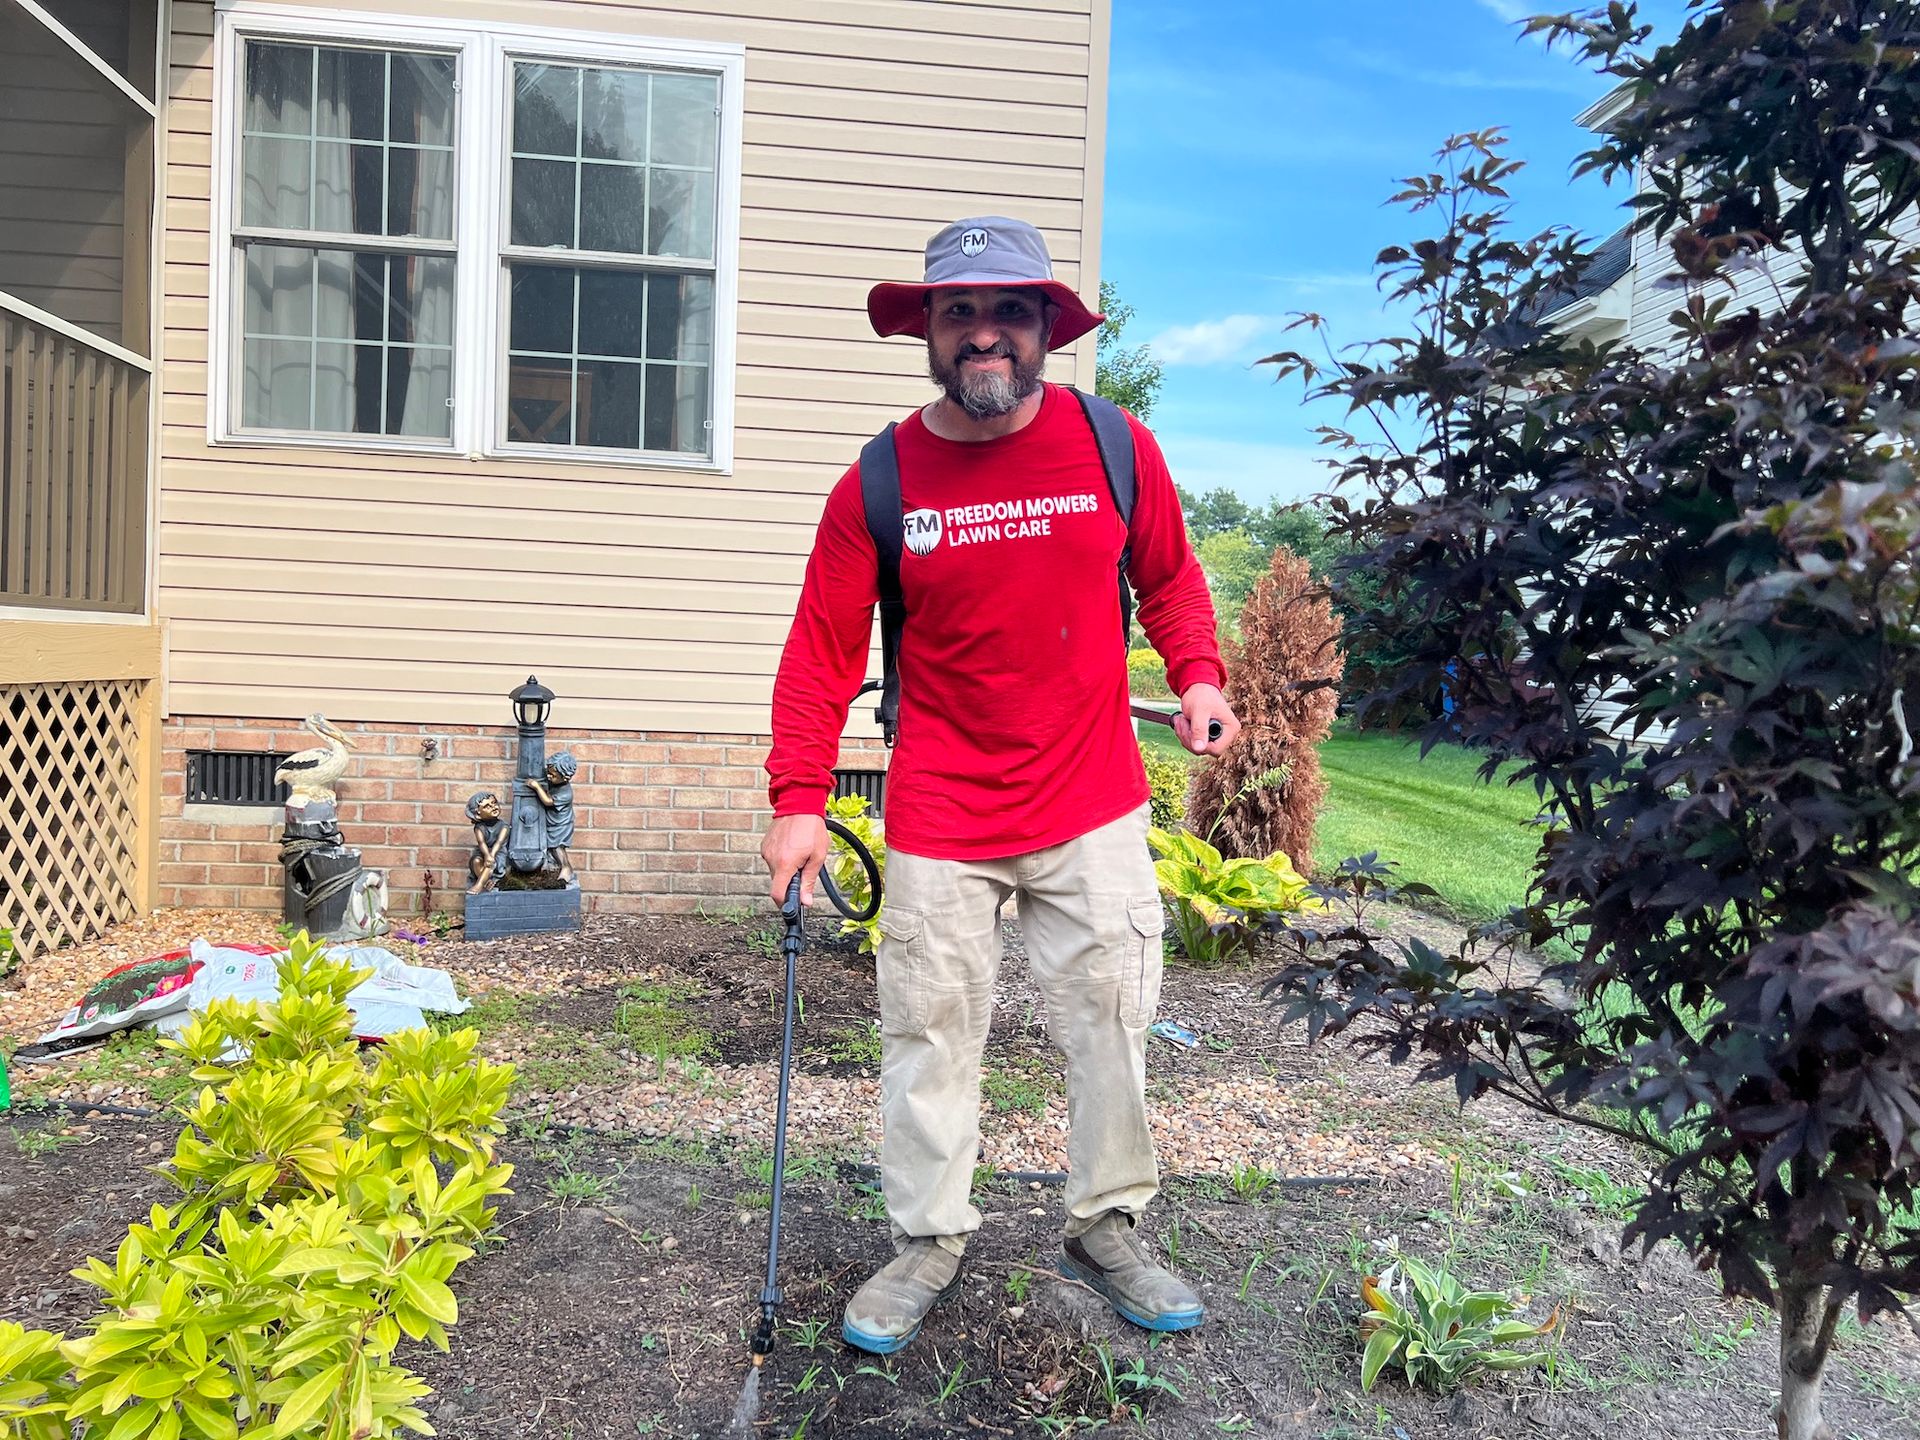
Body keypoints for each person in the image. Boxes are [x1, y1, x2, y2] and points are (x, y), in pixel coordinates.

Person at [761, 216, 1238, 1355]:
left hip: (1095, 805)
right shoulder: (877, 481)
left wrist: (1202, 678)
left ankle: (1107, 1225)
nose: (986, 334)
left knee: (1114, 1027)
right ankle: (928, 1237)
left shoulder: (1116, 445)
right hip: (941, 811)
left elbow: (1171, 581)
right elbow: (820, 652)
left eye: (1009, 313)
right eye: (960, 312)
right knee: (928, 1036)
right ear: (928, 329)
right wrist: (796, 801)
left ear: (1044, 333)